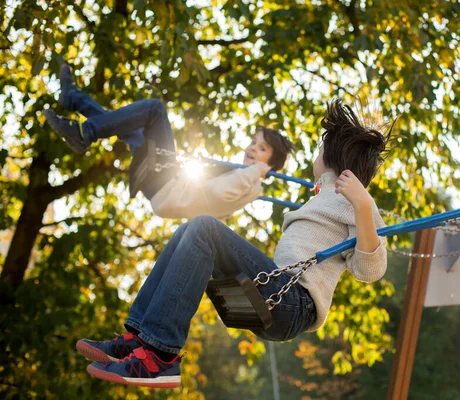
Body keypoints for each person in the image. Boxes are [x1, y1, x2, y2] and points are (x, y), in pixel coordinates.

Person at [77, 99, 392, 388]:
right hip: (277, 296)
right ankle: (140, 337)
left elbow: (370, 269)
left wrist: (363, 205)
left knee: (205, 228)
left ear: (330, 155)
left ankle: (160, 354)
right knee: (189, 231)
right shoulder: (327, 194)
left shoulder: (355, 200)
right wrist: (327, 190)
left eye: (319, 148)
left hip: (294, 302)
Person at [44, 64, 294, 219]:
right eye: (253, 142)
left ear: (271, 162)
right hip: (163, 186)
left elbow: (217, 193)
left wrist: (255, 172)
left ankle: (84, 132)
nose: (252, 148)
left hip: (167, 183)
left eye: (262, 148)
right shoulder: (243, 176)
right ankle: (74, 99)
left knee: (154, 110)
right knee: (128, 130)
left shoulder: (251, 183)